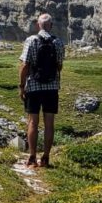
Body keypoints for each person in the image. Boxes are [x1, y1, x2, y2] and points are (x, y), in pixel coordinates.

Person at [18, 13, 65, 167]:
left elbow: (25, 65)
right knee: (49, 123)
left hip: (33, 86)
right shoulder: (58, 42)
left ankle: (32, 157)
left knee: (33, 122)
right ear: (51, 25)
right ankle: (45, 157)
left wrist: (21, 85)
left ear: (38, 25)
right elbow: (59, 66)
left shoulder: (31, 40)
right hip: (52, 87)